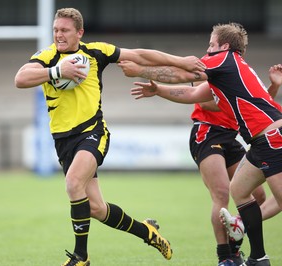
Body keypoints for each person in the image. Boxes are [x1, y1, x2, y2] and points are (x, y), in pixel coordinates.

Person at [14, 7, 205, 266]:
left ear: (79, 32)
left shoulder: (95, 51)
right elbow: (20, 78)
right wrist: (57, 72)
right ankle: (148, 232)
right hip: (63, 140)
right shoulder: (48, 56)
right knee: (95, 209)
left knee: (73, 183)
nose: (59, 35)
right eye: (56, 30)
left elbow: (139, 54)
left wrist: (180, 61)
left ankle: (81, 257)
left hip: (92, 133)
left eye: (65, 30)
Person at [122, 22, 282, 266]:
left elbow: (183, 75)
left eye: (211, 44)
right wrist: (158, 90)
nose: (207, 50)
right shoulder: (232, 70)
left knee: (271, 197)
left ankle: (247, 255)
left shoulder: (223, 60)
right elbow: (192, 94)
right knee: (238, 191)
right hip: (257, 139)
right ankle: (254, 257)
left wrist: (141, 70)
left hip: (270, 138)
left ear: (225, 47)